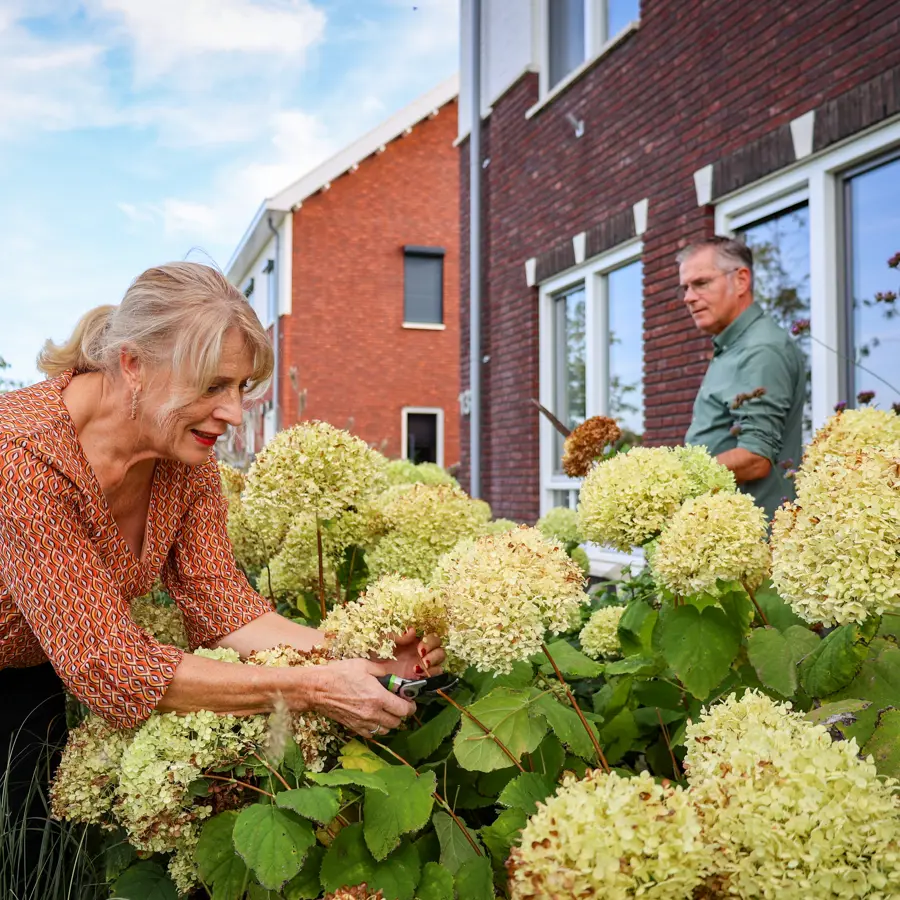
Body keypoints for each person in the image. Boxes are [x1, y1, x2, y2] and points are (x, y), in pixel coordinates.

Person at [0, 262, 444, 891]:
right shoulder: (22, 457)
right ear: (133, 364)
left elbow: (223, 604)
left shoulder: (180, 450)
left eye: (242, 387)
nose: (233, 413)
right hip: (51, 661)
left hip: (34, 666)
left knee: (37, 855)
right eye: (213, 386)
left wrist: (360, 654)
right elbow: (109, 667)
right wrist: (313, 687)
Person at [678, 237, 804, 520]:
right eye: (685, 288)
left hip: (752, 544)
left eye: (700, 283)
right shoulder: (732, 347)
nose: (688, 297)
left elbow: (756, 458)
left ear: (741, 280)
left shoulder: (760, 349)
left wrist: (671, 475)